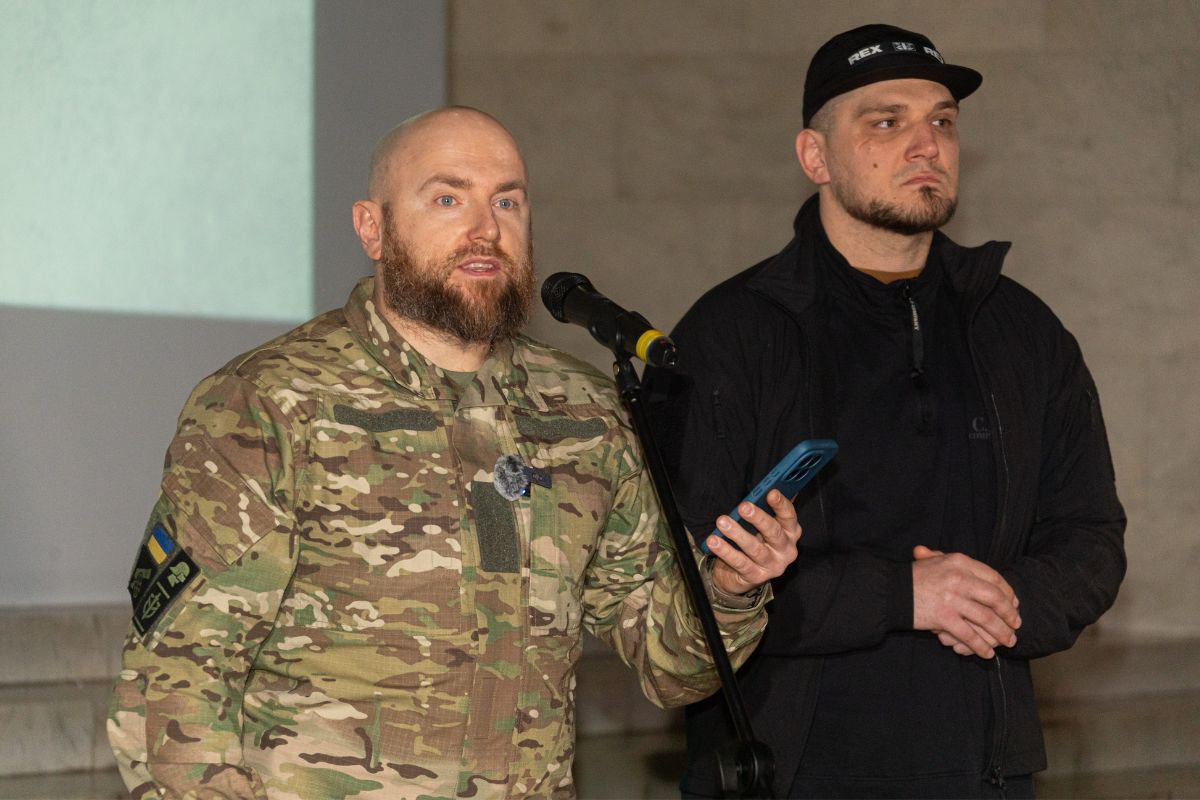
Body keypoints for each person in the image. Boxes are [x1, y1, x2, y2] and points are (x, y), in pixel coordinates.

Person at [107, 106, 802, 800]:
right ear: (372, 229)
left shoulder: (584, 412)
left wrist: (730, 588)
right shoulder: (270, 402)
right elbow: (176, 681)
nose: (486, 228)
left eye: (507, 201)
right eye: (448, 198)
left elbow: (669, 665)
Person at [645, 24, 1126, 799]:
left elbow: (1092, 538)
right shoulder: (730, 335)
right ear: (815, 157)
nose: (926, 144)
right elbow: (685, 581)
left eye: (943, 121)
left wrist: (1004, 602)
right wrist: (904, 595)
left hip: (985, 772)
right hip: (786, 772)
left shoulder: (1022, 331)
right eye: (886, 121)